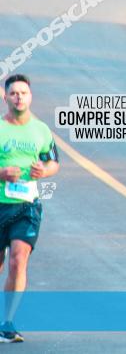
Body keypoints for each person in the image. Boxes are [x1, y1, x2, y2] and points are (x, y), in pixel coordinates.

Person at [0, 75, 60, 343]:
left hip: (27, 207)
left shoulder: (41, 130)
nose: (19, 97)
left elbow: (53, 162)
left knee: (18, 260)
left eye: (23, 93)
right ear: (5, 97)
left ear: (30, 96)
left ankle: (8, 322)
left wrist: (43, 170)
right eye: (13, 93)